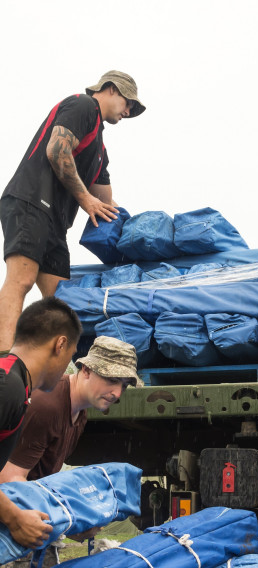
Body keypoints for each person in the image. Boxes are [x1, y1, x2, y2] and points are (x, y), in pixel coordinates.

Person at [0, 70, 146, 352]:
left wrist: (142, 235)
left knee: (59, 301)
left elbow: (105, 201)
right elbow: (56, 151)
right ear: (111, 89)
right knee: (22, 279)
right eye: (129, 103)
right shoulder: (82, 106)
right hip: (30, 201)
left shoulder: (100, 149)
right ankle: (5, 359)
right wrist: (85, 200)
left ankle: (38, 363)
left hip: (55, 222)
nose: (129, 111)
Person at [0, 336, 139, 567]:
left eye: (123, 385)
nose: (117, 393)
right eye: (111, 379)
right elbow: (9, 479)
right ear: (85, 370)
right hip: (14, 526)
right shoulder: (48, 405)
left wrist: (73, 523)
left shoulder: (79, 412)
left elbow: (43, 478)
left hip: (37, 521)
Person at [0, 297, 81, 551]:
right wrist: (14, 518)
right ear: (61, 344)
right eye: (72, 354)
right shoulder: (8, 388)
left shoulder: (15, 381)